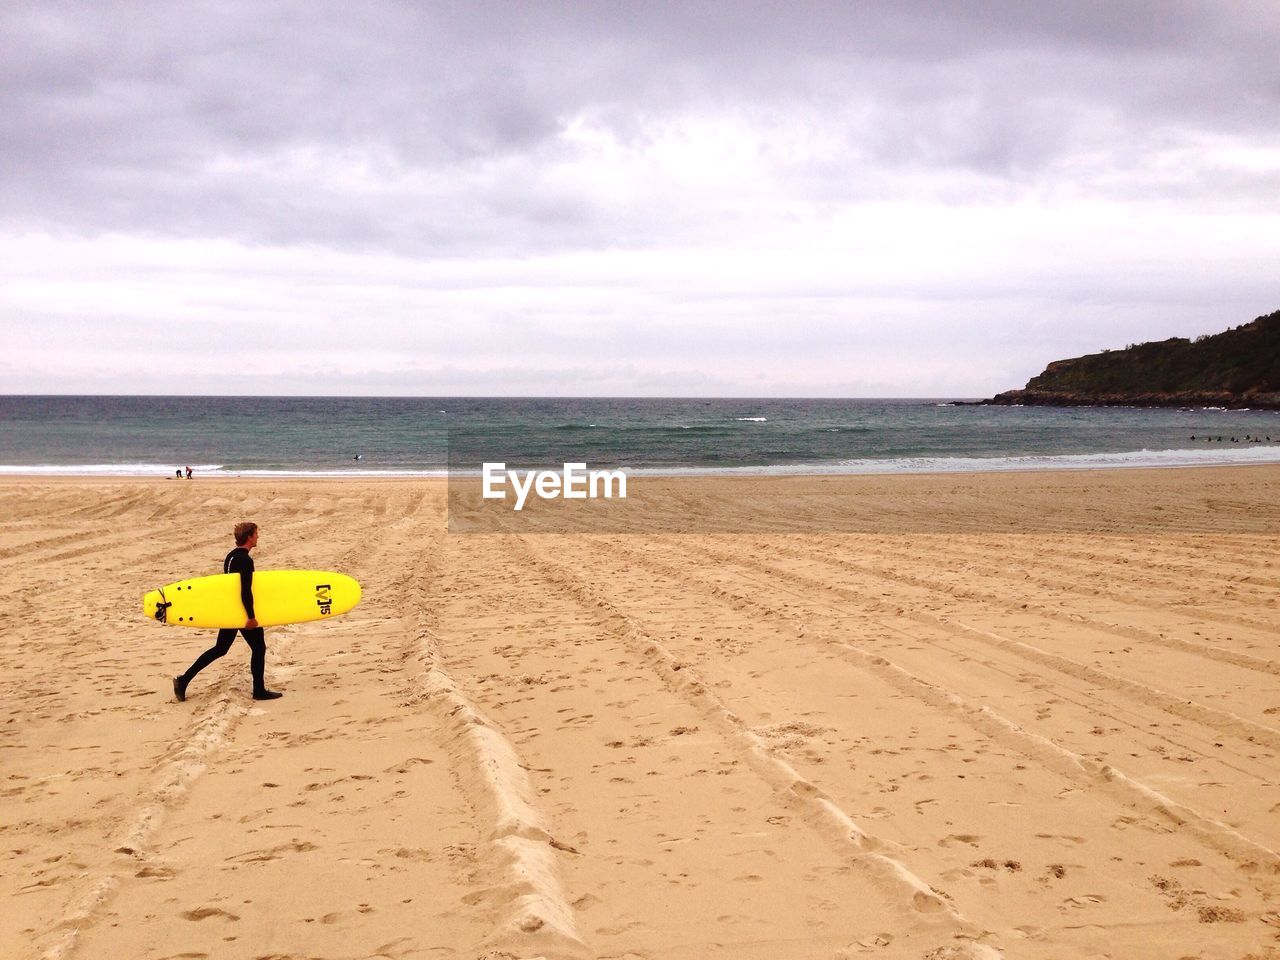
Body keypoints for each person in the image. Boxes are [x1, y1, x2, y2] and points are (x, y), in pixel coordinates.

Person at [173, 522, 283, 702]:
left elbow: (229, 587)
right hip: (241, 612)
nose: (258, 537)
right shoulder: (245, 560)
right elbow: (245, 590)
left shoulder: (231, 557)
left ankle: (183, 680)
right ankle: (259, 690)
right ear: (249, 537)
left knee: (220, 649)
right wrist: (251, 617)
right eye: (256, 534)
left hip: (231, 611)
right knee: (259, 647)